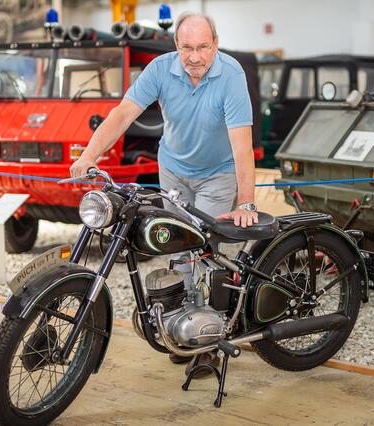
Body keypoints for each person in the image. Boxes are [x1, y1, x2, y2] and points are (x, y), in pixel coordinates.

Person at [70, 12, 258, 373]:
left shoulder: (231, 75)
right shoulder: (160, 69)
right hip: (173, 169)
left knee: (206, 253)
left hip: (217, 174)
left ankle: (207, 343)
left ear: (215, 45)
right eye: (187, 47)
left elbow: (242, 145)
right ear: (176, 47)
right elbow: (123, 113)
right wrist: (89, 155)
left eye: (204, 47)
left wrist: (246, 201)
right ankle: (184, 325)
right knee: (176, 247)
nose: (195, 56)